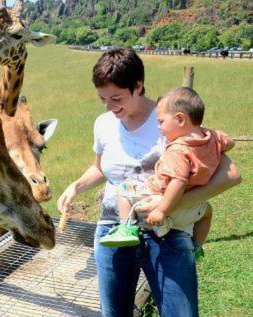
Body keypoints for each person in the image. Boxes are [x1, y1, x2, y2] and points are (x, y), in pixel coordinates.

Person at [56, 48, 241, 317]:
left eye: (116, 98)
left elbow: (231, 174)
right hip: (114, 228)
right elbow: (101, 168)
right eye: (102, 99)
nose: (109, 106)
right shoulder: (104, 124)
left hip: (168, 232)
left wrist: (168, 206)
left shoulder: (169, 120)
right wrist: (75, 186)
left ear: (138, 85)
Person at [99, 87, 235, 261]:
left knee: (124, 188)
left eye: (161, 121)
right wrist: (216, 146)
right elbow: (229, 142)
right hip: (192, 207)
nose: (158, 127)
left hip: (159, 199)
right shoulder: (213, 138)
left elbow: (178, 181)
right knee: (208, 212)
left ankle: (127, 227)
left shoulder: (177, 150)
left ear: (180, 119)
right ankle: (197, 247)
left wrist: (162, 209)